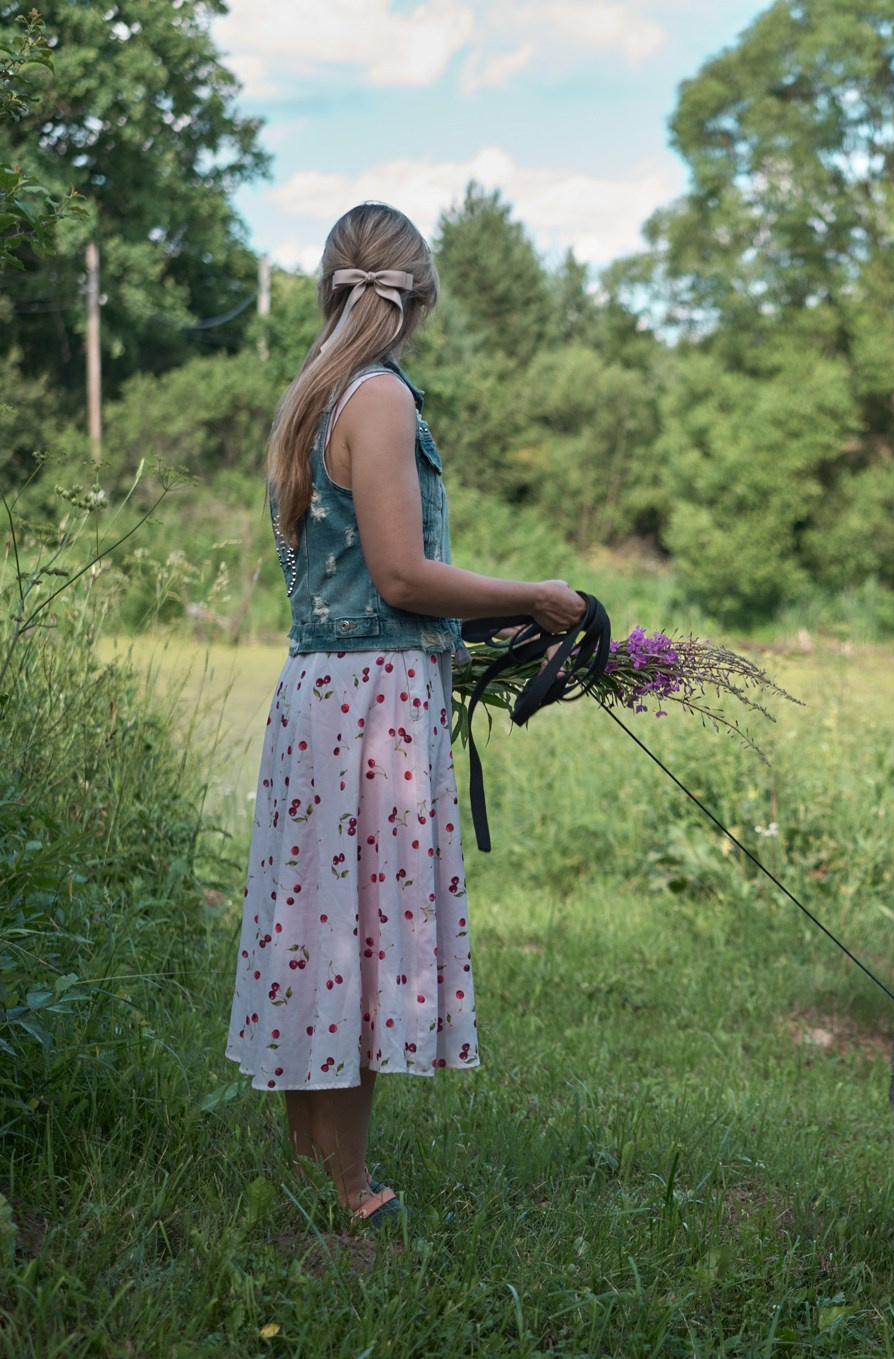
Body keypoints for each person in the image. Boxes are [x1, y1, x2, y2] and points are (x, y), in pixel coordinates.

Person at [225, 202, 583, 1224]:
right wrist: (533, 597)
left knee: (317, 936)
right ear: (417, 295)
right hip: (367, 715)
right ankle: (351, 1192)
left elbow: (354, 586)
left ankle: (314, 1172)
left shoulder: (315, 393)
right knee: (353, 941)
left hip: (325, 696)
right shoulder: (377, 399)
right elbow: (399, 572)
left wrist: (479, 639)